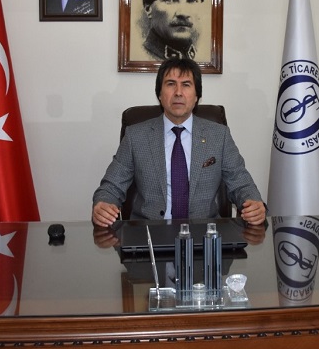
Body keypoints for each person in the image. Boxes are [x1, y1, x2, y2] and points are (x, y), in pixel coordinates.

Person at [92, 58, 266, 227]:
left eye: (186, 85)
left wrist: (253, 202)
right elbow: (111, 186)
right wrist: (103, 204)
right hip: (149, 233)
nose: (178, 92)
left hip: (204, 233)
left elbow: (241, 182)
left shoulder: (219, 136)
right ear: (160, 94)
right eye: (170, 84)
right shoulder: (135, 136)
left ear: (197, 96)